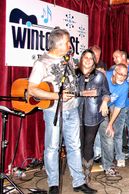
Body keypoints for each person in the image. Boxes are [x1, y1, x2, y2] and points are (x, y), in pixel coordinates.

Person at [27, 27, 96, 194]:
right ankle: (53, 185)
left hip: (72, 110)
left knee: (74, 146)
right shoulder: (42, 63)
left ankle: (78, 182)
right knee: (52, 147)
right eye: (67, 42)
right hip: (53, 111)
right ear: (58, 44)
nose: (70, 45)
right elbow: (32, 89)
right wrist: (56, 96)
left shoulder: (68, 59)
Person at [76, 49, 110, 183]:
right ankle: (77, 170)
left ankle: (87, 172)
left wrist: (105, 102)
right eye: (86, 57)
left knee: (88, 144)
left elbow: (107, 93)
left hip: (93, 115)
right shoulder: (74, 74)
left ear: (94, 61)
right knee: (78, 143)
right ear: (81, 59)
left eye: (91, 58)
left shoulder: (100, 76)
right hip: (75, 114)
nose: (89, 60)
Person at [99, 63, 129, 176]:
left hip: (107, 108)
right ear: (114, 72)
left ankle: (108, 166)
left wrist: (110, 124)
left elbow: (117, 107)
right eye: (120, 74)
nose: (123, 77)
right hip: (93, 106)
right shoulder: (104, 77)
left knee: (108, 134)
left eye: (125, 75)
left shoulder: (125, 86)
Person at [110, 50, 129, 167]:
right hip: (118, 106)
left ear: (123, 57)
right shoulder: (112, 70)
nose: (114, 59)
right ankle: (119, 157)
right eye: (113, 57)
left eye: (116, 57)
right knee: (118, 133)